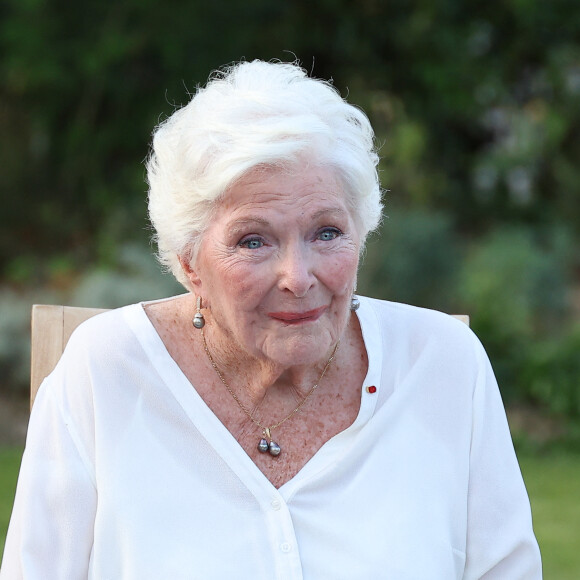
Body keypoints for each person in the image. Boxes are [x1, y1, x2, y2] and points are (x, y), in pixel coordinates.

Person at [1, 60, 541, 579]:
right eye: (253, 240)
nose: (298, 276)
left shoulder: (444, 365)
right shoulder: (106, 372)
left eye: (327, 232)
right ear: (189, 262)